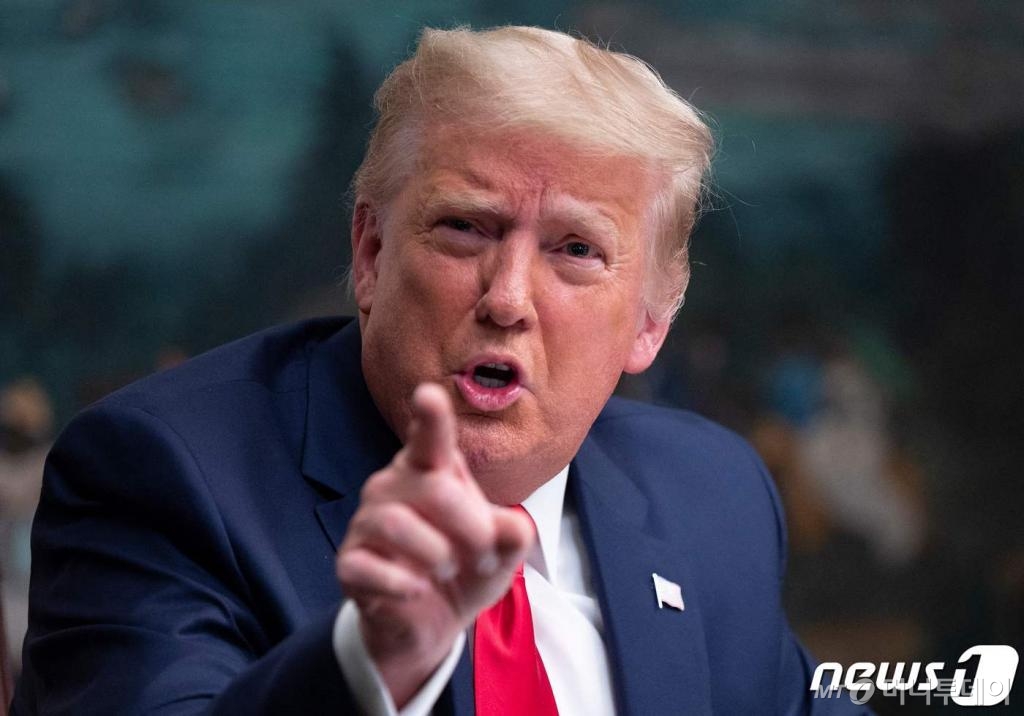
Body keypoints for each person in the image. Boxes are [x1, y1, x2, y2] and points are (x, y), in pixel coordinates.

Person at [13, 26, 866, 715]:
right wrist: (373, 664)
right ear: (371, 254)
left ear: (650, 322)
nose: (508, 298)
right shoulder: (163, 477)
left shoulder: (709, 494)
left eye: (575, 249)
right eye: (465, 227)